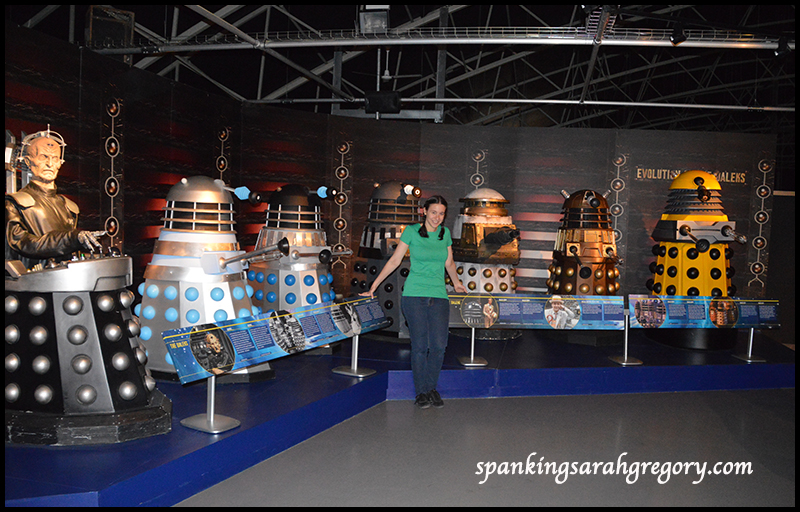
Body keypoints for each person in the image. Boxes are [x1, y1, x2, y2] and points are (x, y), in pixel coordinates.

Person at [362, 195, 467, 409]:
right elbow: (394, 261)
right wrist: (374, 286)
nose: (437, 217)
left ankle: (431, 388)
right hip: (414, 295)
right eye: (433, 212)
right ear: (424, 211)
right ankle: (421, 392)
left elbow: (449, 262)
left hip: (439, 296)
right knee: (420, 346)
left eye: (441, 213)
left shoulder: (445, 234)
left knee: (438, 346)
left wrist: (456, 283)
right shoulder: (411, 231)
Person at [5, 129, 104, 271]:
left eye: (55, 158)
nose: (49, 164)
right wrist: (71, 238)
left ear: (60, 163)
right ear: (28, 161)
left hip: (66, 278)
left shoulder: (69, 207)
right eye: (43, 157)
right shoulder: (14, 203)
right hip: (34, 279)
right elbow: (23, 243)